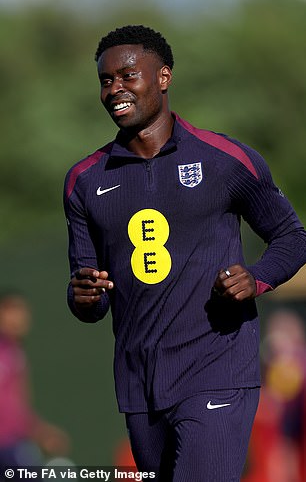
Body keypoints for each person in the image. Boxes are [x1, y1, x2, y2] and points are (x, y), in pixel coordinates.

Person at [63, 25, 306, 481]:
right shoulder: (84, 180)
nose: (115, 89)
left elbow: (293, 237)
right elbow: (89, 299)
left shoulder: (224, 158)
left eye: (128, 75)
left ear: (164, 77)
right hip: (139, 385)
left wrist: (256, 279)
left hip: (218, 371)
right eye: (105, 80)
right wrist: (83, 296)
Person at [0, 292, 70, 469]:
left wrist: (39, 431)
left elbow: (15, 408)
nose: (17, 318)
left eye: (21, 311)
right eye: (9, 310)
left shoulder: (15, 352)